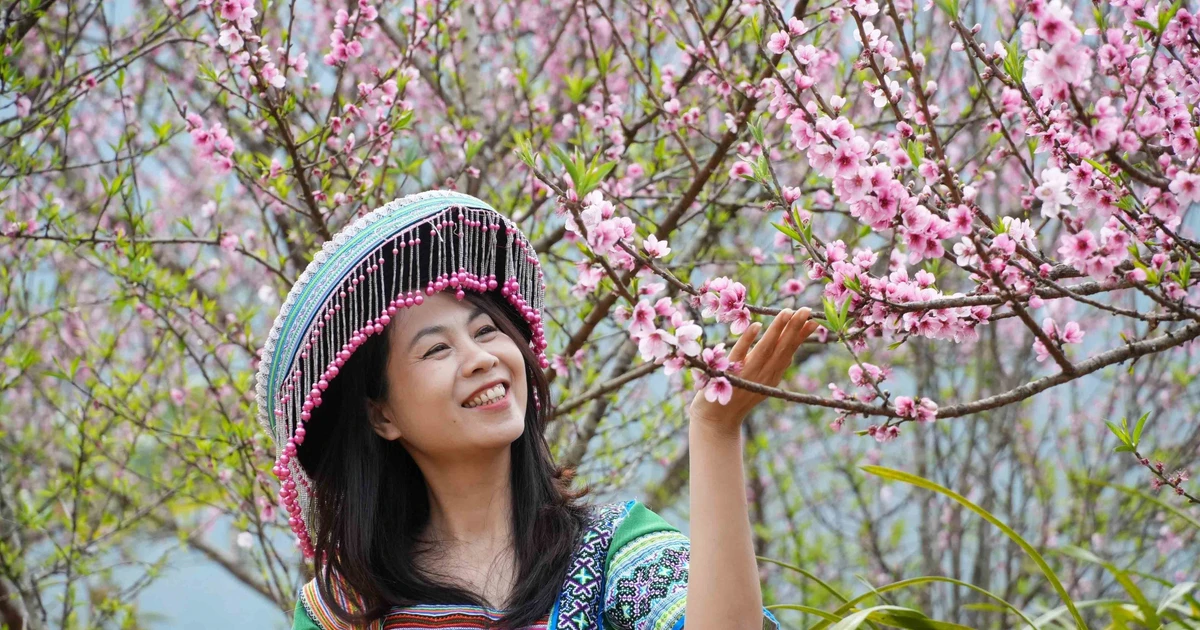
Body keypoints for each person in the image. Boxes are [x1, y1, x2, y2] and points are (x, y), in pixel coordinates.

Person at [254, 190, 817, 629]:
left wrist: (716, 431)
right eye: (437, 348)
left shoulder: (611, 554)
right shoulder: (346, 609)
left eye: (486, 330)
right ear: (382, 416)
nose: (480, 359)